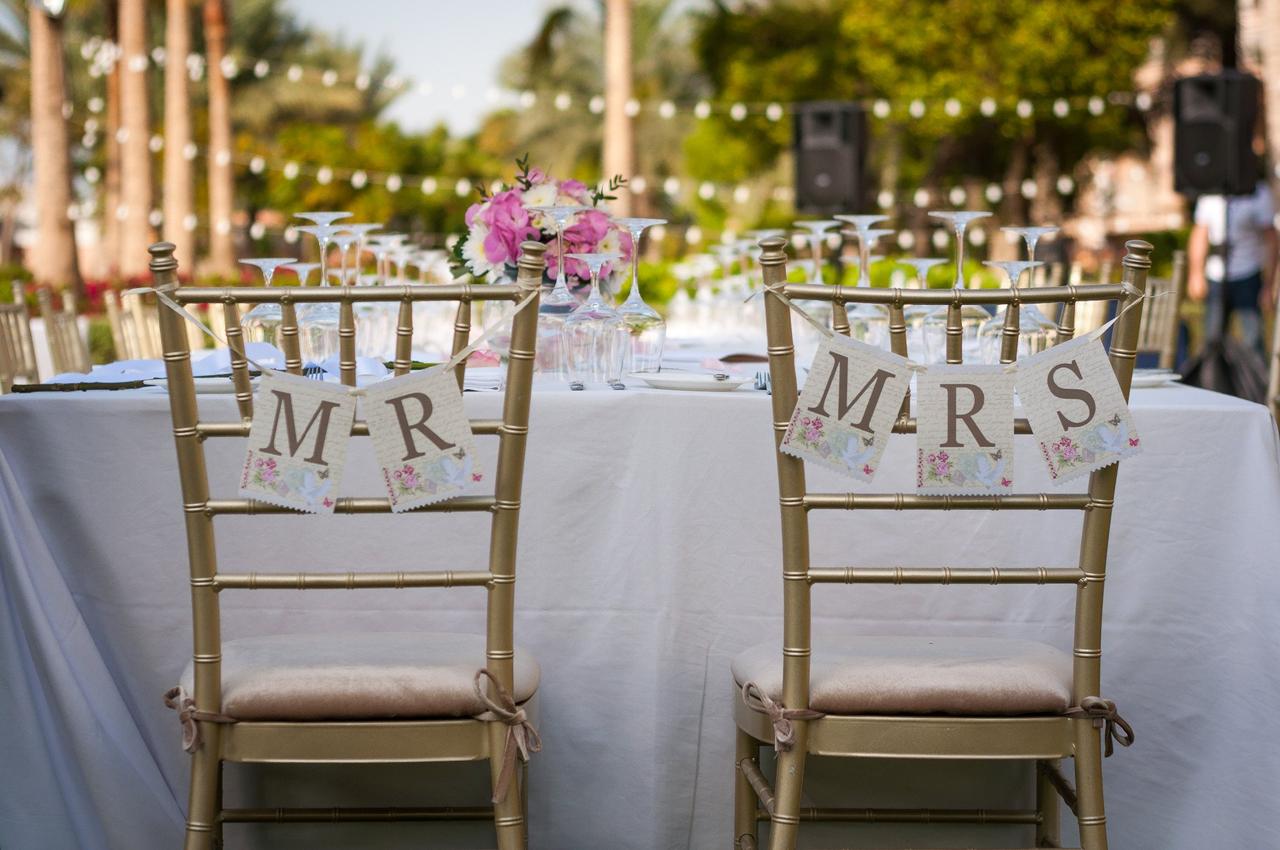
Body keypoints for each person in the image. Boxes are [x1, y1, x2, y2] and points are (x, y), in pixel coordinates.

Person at [1187, 181, 1276, 355]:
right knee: (1212, 339)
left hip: (1248, 274)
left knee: (1252, 339)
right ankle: (1213, 380)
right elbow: (1200, 234)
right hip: (1216, 277)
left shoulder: (1259, 193)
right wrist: (1195, 274)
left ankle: (1256, 381)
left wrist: (1269, 285)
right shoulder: (1210, 193)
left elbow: (1271, 240)